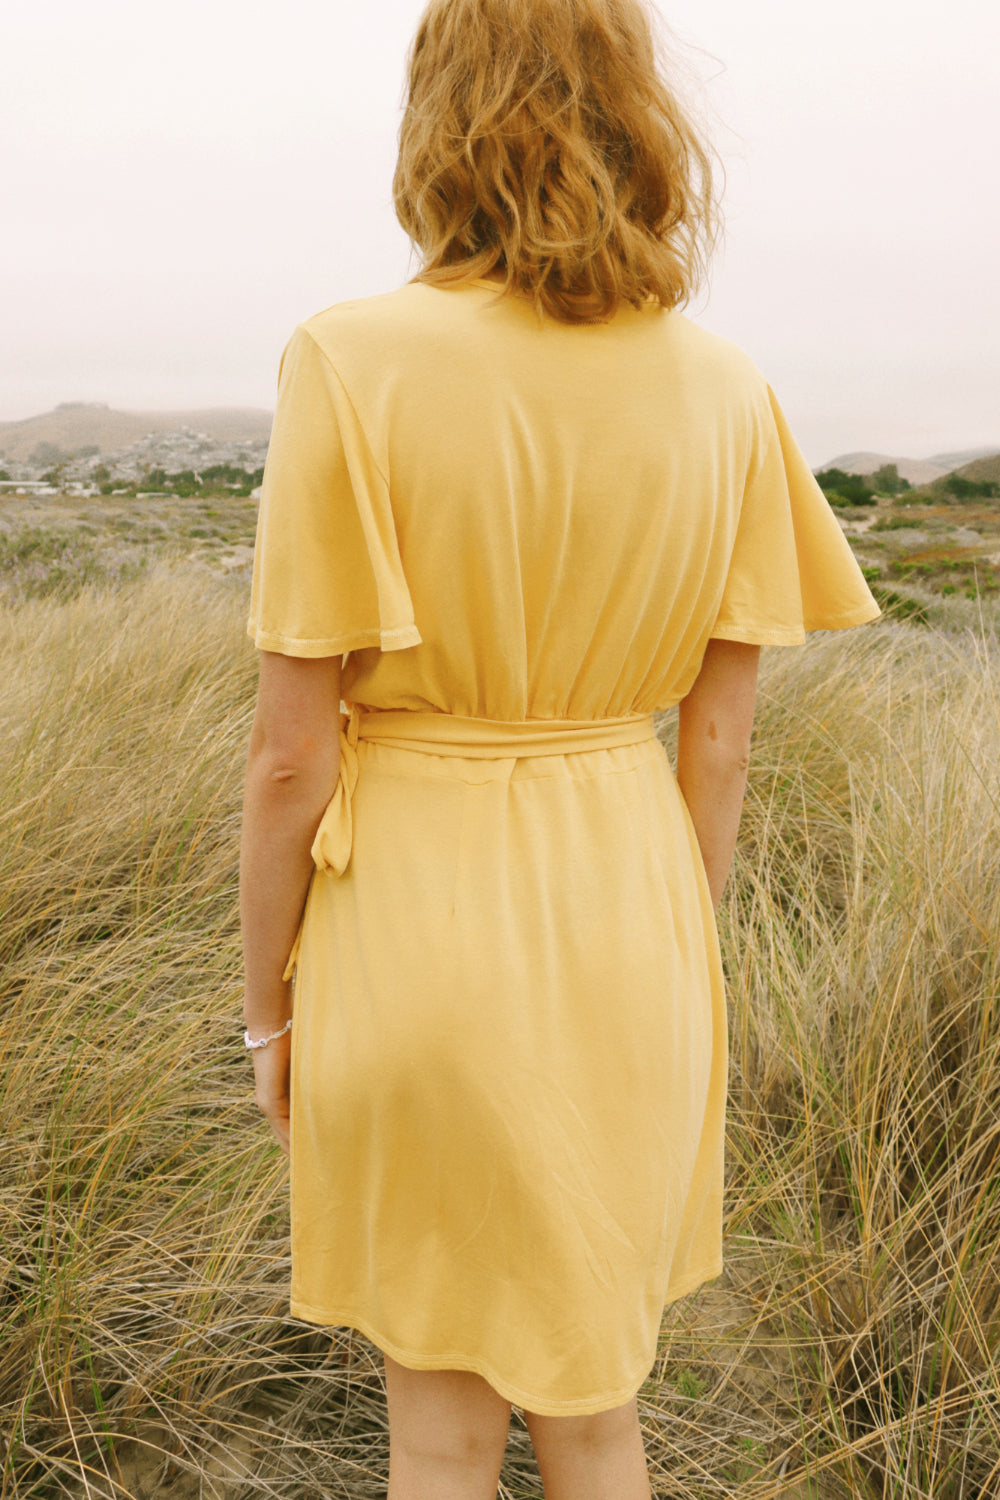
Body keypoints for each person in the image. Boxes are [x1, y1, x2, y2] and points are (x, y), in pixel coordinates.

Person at [238, 0, 880, 1495]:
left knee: (440, 1424)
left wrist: (267, 1009)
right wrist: (671, 959)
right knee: (597, 1407)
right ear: (640, 120)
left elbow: (288, 755)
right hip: (627, 926)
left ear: (437, 122)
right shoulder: (729, 388)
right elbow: (716, 744)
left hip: (412, 925)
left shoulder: (351, 358)